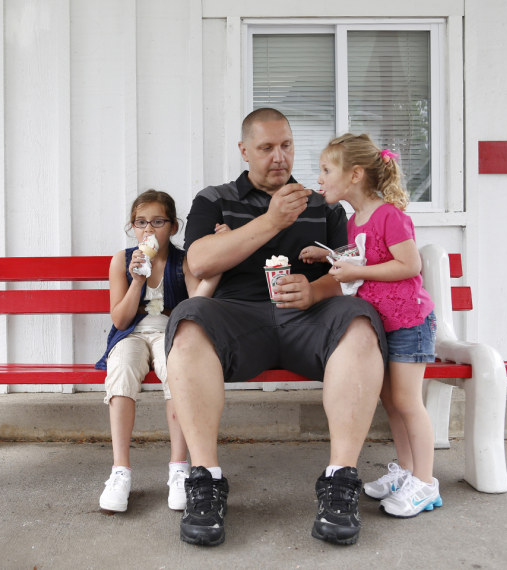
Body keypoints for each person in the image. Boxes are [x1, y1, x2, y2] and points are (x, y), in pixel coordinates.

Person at [165, 108, 388, 547]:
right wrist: (271, 221)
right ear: (244, 150)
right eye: (266, 148)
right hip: (239, 317)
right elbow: (198, 262)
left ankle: (339, 480)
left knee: (361, 321)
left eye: (286, 145)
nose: (279, 157)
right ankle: (206, 481)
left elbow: (351, 269)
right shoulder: (215, 198)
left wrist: (316, 291)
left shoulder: (322, 201)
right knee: (188, 323)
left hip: (308, 317)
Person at [302, 133, 441, 518]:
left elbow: (409, 265)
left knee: (409, 403)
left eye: (327, 170)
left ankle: (426, 483)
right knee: (391, 402)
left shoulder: (389, 216)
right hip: (385, 324)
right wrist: (328, 255)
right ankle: (407, 471)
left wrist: (356, 268)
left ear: (356, 174)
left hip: (410, 322)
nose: (321, 178)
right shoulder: (355, 220)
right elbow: (362, 259)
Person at [95, 189, 220, 513]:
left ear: (173, 227)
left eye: (157, 222)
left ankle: (179, 468)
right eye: (140, 223)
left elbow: (196, 303)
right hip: (131, 333)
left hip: (172, 334)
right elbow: (120, 318)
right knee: (121, 370)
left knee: (178, 375)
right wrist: (137, 280)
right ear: (132, 227)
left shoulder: (183, 261)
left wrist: (217, 268)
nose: (148, 230)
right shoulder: (121, 261)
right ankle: (120, 471)